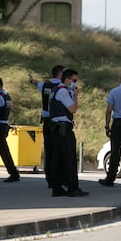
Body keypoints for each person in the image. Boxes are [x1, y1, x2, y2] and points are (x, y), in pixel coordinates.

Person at [50, 69, 89, 197]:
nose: (75, 83)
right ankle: (72, 187)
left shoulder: (58, 89)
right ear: (67, 79)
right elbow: (73, 109)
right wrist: (76, 95)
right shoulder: (62, 91)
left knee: (58, 159)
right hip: (63, 128)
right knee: (69, 159)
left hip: (57, 128)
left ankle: (57, 187)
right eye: (74, 80)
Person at [29, 65, 65, 188]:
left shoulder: (45, 84)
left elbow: (37, 84)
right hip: (57, 120)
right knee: (58, 149)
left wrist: (32, 80)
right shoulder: (62, 87)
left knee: (48, 150)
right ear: (60, 74)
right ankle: (58, 178)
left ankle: (49, 178)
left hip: (46, 120)